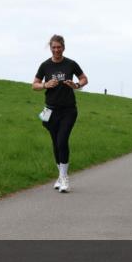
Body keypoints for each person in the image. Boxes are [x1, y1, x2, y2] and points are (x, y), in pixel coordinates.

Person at [32, 35, 87, 193]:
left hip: (68, 110)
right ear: (51, 48)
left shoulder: (70, 64)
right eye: (54, 47)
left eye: (59, 47)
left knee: (62, 141)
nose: (56, 50)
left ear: (63, 47)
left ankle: (64, 179)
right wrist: (45, 84)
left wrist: (75, 84)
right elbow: (33, 85)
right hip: (50, 110)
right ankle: (60, 175)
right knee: (56, 143)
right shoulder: (45, 66)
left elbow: (84, 78)